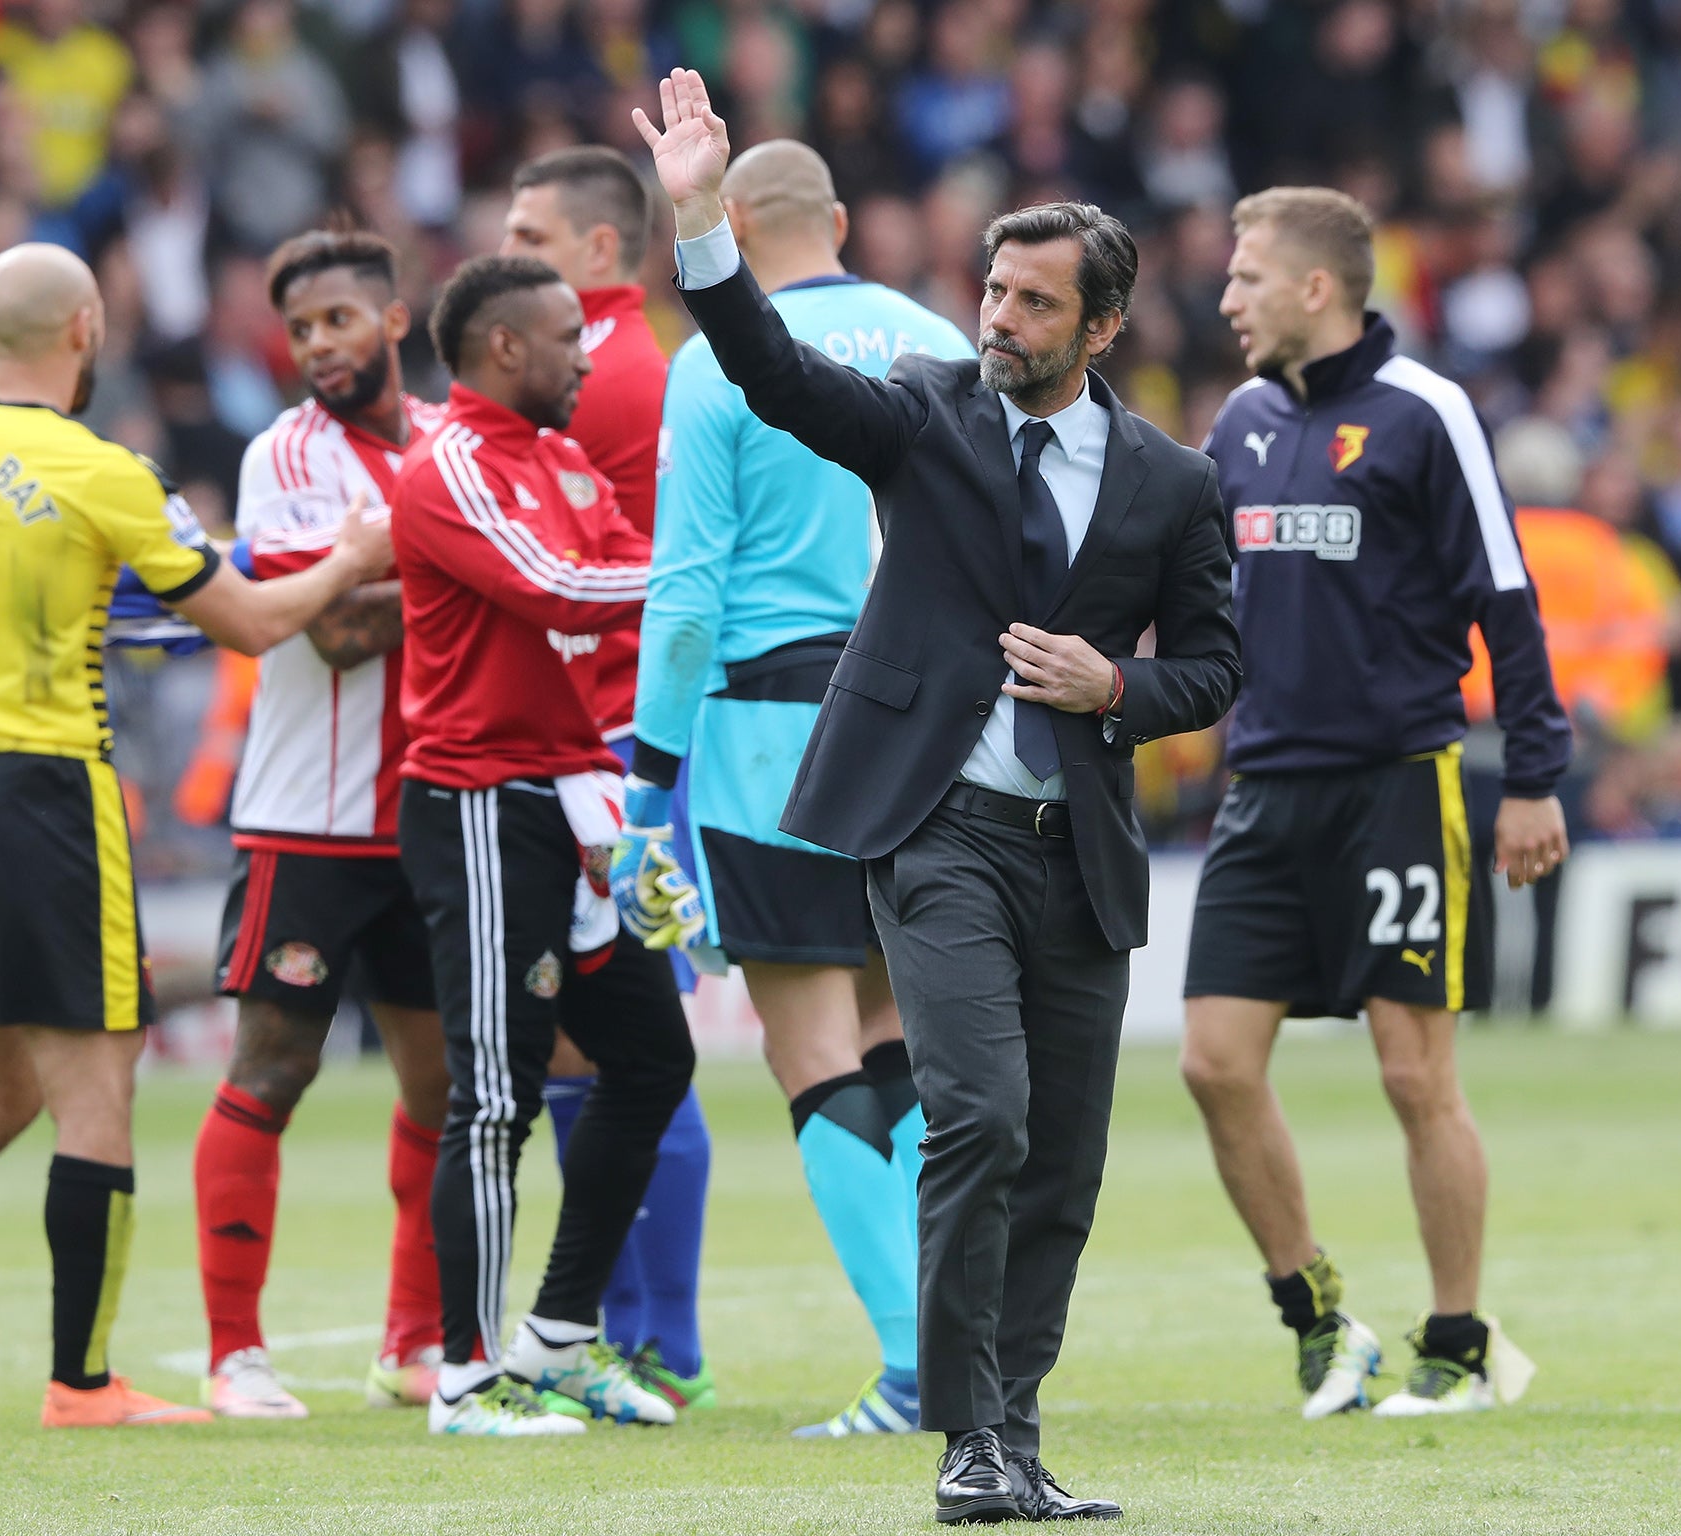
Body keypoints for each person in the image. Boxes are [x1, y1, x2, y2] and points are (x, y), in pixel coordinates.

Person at [638, 70, 1240, 1523]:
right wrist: (700, 218)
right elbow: (772, 372)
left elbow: (1217, 669)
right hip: (940, 829)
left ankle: (1011, 1442)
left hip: (1083, 846)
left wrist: (1118, 691)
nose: (999, 319)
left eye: (1035, 303)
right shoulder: (924, 416)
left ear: (1102, 327)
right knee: (977, 1114)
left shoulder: (1172, 485)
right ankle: (964, 1428)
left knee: (1064, 1162)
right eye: (993, 290)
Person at [0, 241, 393, 1431]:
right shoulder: (97, 467)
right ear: (84, 328)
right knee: (97, 1082)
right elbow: (253, 623)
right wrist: (355, 558)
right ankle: (83, 1384)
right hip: (41, 789)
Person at [1185, 187, 1570, 1419]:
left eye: (1246, 277)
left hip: (1397, 783)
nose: (1227, 297)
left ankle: (1454, 1345)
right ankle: (1316, 1317)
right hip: (1262, 788)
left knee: (1414, 1076)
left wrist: (1532, 777)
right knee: (1210, 1062)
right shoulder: (1235, 423)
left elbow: (1503, 600)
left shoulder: (1425, 413)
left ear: (1315, 288)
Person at [617, 138, 973, 1438]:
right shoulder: (941, 336)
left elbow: (688, 596)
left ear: (730, 228)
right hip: (933, 725)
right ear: (831, 218)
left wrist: (651, 788)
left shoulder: (714, 362)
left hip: (777, 727)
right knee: (898, 1034)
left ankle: (914, 1364)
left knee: (809, 1044)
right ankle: (962, 1342)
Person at [391, 254, 694, 1437]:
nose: (588, 353)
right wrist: (699, 573)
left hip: (575, 800)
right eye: (569, 335)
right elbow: (568, 587)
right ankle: (462, 1379)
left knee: (652, 1061)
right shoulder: (447, 468)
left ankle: (557, 1339)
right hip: (479, 805)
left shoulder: (563, 460)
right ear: (504, 349)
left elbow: (615, 575)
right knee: (493, 1096)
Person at [189, 226, 452, 1420]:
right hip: (308, 819)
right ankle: (233, 1354)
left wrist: (415, 574)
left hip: (437, 810)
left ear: (393, 321)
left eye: (337, 320)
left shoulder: (459, 438)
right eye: (297, 329)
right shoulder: (283, 458)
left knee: (444, 1083)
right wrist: (468, 577)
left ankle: (413, 1344)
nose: (316, 346)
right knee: (275, 1066)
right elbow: (333, 631)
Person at [496, 143, 715, 1411]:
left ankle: (652, 1336)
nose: (509, 249)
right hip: (604, 747)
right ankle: (627, 1328)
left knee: (631, 1036)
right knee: (598, 1043)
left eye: (531, 234)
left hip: (622, 753)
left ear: (597, 251)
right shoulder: (632, 367)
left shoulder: (611, 380)